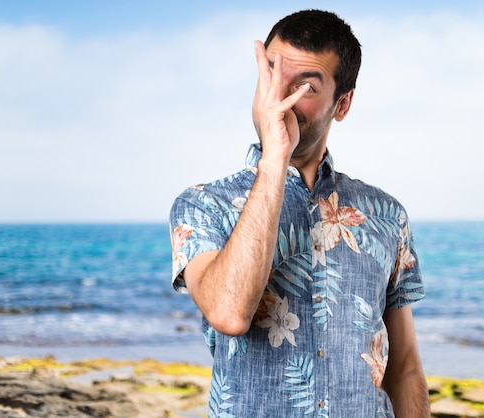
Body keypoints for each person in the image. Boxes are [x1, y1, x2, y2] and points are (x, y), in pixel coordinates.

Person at [170, 9, 429, 417]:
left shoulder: (387, 215)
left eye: (305, 86)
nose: (281, 98)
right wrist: (275, 160)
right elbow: (229, 313)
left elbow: (405, 367)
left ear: (341, 104)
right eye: (273, 75)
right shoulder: (203, 205)